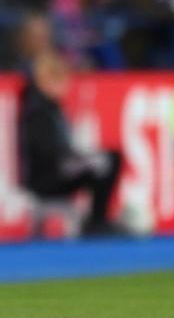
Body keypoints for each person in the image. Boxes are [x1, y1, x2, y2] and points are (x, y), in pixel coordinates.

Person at [19, 51, 121, 235]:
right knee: (106, 162)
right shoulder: (37, 111)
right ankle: (97, 222)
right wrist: (77, 159)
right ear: (46, 80)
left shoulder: (50, 107)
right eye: (60, 79)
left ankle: (98, 219)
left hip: (59, 169)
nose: (66, 84)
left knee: (109, 159)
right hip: (46, 178)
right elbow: (47, 153)